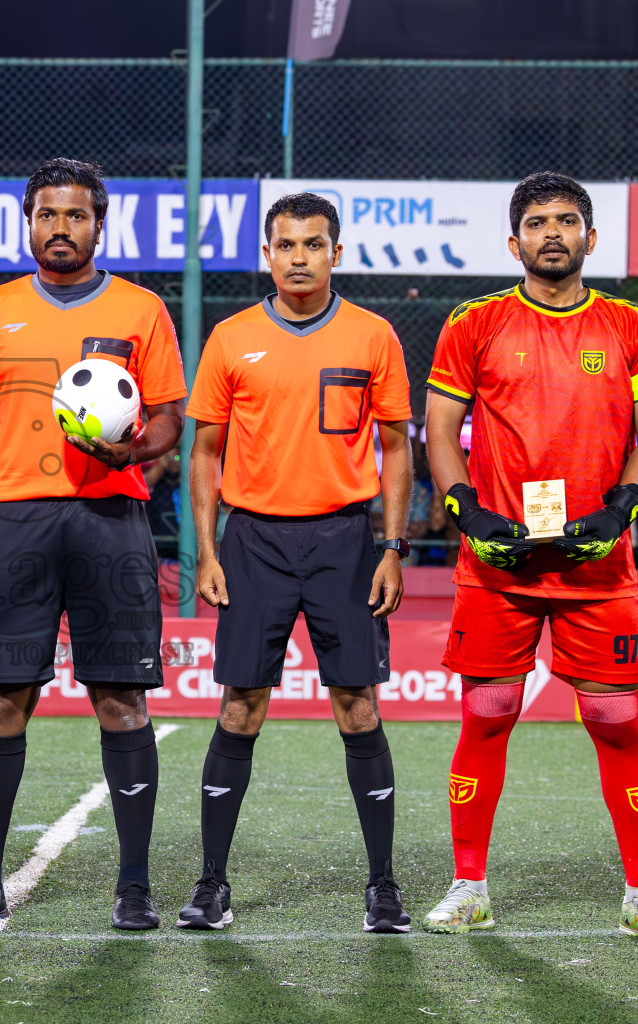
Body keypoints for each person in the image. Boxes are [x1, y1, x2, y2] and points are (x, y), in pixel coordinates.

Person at [422, 172, 638, 943]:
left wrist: (622, 507)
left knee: (613, 716)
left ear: (590, 238)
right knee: (489, 709)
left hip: (598, 562)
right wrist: (464, 508)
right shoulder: (474, 323)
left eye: (566, 221)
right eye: (536, 222)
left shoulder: (633, 325)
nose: (551, 233)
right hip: (498, 560)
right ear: (514, 242)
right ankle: (469, 885)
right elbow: (441, 430)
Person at [0, 158, 187, 930]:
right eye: (47, 214)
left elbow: (173, 424)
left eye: (75, 215)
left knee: (121, 700)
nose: (60, 228)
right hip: (14, 521)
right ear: (28, 222)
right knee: (2, 699)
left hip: (110, 519)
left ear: (98, 223)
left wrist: (136, 450)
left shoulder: (142, 310)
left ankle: (136, 886)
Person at [180, 192, 413, 934]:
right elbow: (206, 453)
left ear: (337, 253)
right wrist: (208, 553)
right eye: (286, 245)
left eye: (314, 244)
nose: (300, 257)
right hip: (254, 544)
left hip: (345, 542)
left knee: (358, 706)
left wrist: (392, 545)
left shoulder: (374, 336)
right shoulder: (231, 337)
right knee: (240, 706)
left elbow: (398, 448)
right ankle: (212, 884)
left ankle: (382, 886)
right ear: (268, 255)